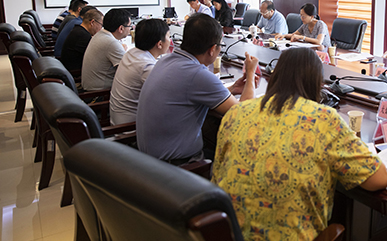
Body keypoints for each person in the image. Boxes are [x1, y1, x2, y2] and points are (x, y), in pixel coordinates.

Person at [212, 48, 387, 241]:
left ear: (275, 77)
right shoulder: (324, 119)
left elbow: (217, 174)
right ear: (318, 84)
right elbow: (379, 180)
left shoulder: (237, 112)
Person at [137, 13, 258, 164]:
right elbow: (244, 113)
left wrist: (232, 88)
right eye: (221, 45)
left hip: (147, 159)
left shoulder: (166, 60)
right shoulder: (197, 74)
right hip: (175, 165)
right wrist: (251, 74)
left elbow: (190, 93)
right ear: (212, 49)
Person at [110, 19, 171, 125]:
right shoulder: (146, 67)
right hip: (129, 127)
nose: (170, 41)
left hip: (118, 119)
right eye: (169, 37)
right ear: (160, 44)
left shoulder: (131, 53)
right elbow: (168, 97)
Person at [81, 9, 132, 91]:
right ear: (121, 28)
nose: (130, 29)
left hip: (91, 87)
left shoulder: (100, 34)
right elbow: (129, 71)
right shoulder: (111, 43)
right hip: (99, 93)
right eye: (129, 26)